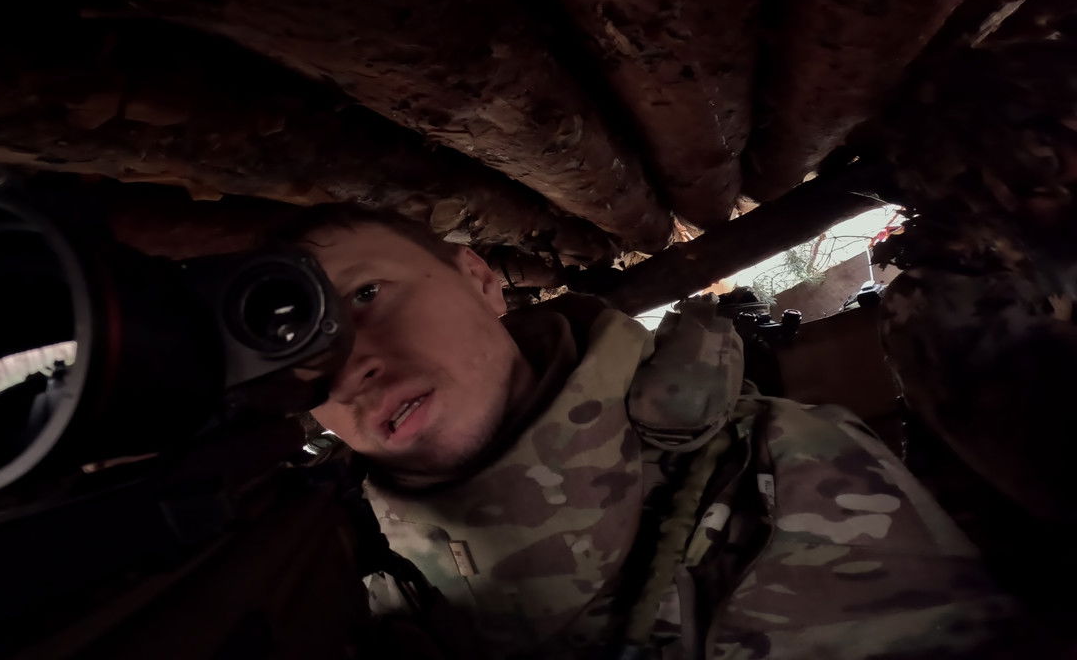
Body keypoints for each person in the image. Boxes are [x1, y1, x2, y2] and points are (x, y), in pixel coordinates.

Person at [270, 204, 1022, 659]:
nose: (351, 365)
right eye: (301, 355)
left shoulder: (777, 466)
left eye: (366, 294)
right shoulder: (320, 584)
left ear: (480, 277)